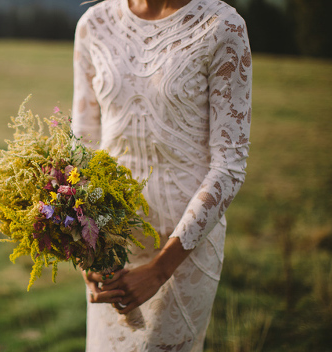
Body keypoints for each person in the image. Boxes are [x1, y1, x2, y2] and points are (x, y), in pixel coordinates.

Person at [71, 0, 251, 350]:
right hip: (112, 243)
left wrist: (159, 269)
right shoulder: (94, 23)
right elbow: (83, 145)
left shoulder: (221, 26)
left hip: (184, 246)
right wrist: (87, 249)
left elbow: (229, 165)